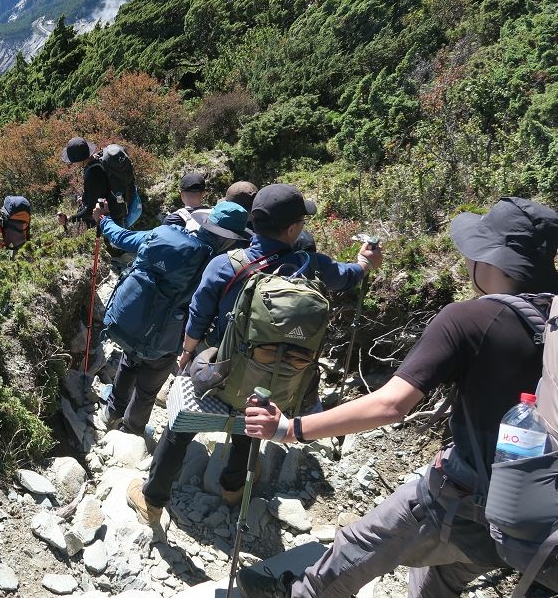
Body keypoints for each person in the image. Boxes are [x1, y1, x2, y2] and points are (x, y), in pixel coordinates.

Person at [236, 197, 558, 598]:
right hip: (536, 518)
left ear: (487, 259)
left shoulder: (470, 319)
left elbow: (392, 404)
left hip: (461, 499)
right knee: (440, 575)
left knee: (354, 548)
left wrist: (290, 428)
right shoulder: (552, 321)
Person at [126, 184, 382, 522]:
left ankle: (153, 500)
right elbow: (346, 277)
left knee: (182, 418)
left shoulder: (224, 265)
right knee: (256, 406)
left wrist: (186, 357)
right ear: (292, 229)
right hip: (277, 384)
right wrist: (364, 263)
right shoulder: (312, 264)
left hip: (222, 376)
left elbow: (198, 319)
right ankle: (234, 488)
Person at [96, 199, 254, 435]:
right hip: (164, 339)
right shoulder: (217, 266)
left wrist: (103, 219)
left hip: (130, 321)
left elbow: (120, 237)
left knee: (129, 361)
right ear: (230, 238)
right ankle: (132, 429)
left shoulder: (163, 233)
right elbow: (206, 312)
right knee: (148, 388)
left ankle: (112, 412)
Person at [57, 136, 125, 228]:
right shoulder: (95, 160)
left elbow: (91, 210)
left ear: (79, 160)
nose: (72, 163)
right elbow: (97, 190)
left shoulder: (93, 174)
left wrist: (69, 219)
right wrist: (84, 198)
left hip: (111, 210)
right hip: (108, 198)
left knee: (108, 239)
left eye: (73, 161)